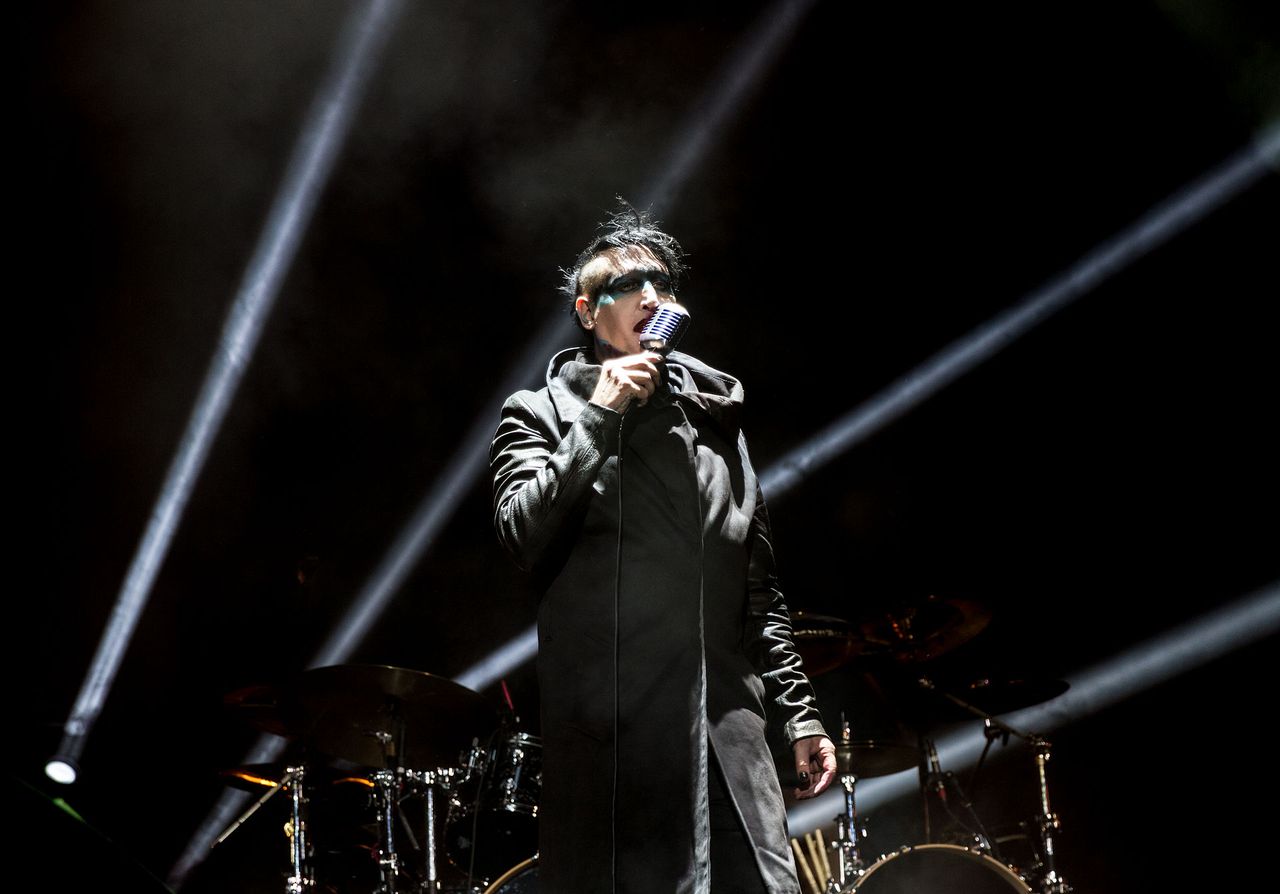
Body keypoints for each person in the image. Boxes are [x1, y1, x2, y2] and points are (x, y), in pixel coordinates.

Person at [489, 200, 838, 893]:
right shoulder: (541, 415)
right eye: (626, 285)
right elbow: (521, 533)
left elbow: (758, 590)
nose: (649, 296)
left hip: (727, 738)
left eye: (662, 284)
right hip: (616, 748)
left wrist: (800, 716)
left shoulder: (715, 423)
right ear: (587, 313)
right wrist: (599, 416)